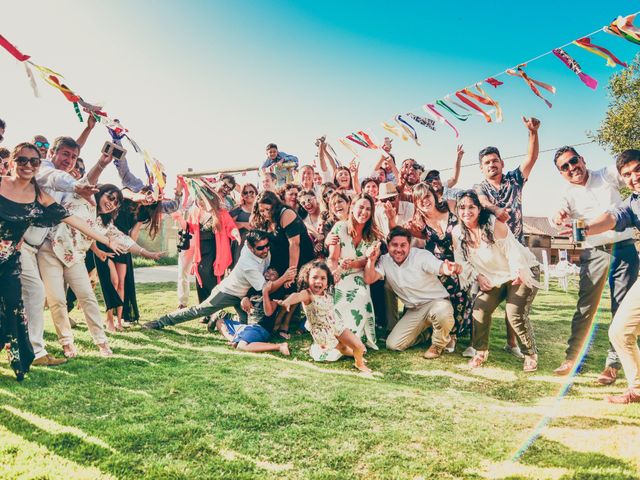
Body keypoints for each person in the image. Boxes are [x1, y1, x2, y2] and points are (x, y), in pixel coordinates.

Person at [0, 143, 125, 378]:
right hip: (16, 250)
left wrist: (105, 240)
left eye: (33, 161)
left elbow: (69, 217)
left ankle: (28, 355)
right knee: (31, 296)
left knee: (17, 303)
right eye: (22, 160)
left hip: (13, 257)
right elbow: (58, 177)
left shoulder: (38, 193)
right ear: (13, 162)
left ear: (39, 164)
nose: (28, 165)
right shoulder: (8, 181)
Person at [551, 146, 639, 383]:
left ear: (582, 159)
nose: (572, 168)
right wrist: (558, 215)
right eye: (565, 167)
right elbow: (556, 214)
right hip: (595, 252)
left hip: (624, 248)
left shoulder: (607, 174)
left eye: (573, 161)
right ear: (561, 173)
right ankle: (572, 358)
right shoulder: (567, 195)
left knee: (620, 306)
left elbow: (629, 172)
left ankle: (612, 365)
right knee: (585, 306)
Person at [20, 136, 105, 363]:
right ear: (52, 154)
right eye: (65, 155)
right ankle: (32, 350)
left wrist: (102, 163)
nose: (69, 160)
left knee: (36, 296)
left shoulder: (68, 185)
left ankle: (32, 350)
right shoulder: (43, 170)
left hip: (44, 249)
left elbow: (71, 212)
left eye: (74, 157)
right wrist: (76, 184)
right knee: (38, 296)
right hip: (22, 245)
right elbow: (55, 177)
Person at [572, 150, 640, 403]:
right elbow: (612, 218)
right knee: (620, 331)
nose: (634, 177)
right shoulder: (631, 204)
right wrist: (587, 228)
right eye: (627, 174)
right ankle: (637, 389)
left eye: (637, 169)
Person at [473, 116, 541, 359]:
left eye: (494, 160)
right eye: (486, 163)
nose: (491, 164)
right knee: (488, 300)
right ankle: (481, 347)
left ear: (501, 162)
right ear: (482, 168)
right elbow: (481, 202)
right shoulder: (480, 187)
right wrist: (496, 210)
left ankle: (512, 344)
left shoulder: (514, 179)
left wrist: (532, 133)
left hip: (517, 249)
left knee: (515, 304)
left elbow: (531, 159)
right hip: (493, 253)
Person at [452, 191, 540, 372]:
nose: (466, 211)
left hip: (521, 269)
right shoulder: (457, 232)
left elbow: (512, 250)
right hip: (493, 277)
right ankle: (480, 352)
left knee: (514, 313)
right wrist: (478, 276)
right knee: (480, 308)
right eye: (462, 207)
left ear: (479, 209)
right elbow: (461, 261)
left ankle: (530, 354)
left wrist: (517, 270)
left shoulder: (492, 223)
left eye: (471, 207)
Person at [143, 230, 295, 329]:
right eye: (261, 248)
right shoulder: (248, 264)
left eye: (267, 246)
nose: (266, 250)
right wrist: (284, 278)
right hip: (227, 292)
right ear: (249, 247)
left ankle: (221, 317)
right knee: (199, 310)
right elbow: (266, 289)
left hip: (243, 294)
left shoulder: (261, 250)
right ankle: (160, 322)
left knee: (247, 326)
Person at [364, 227, 459, 357]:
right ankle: (427, 334)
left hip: (436, 303)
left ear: (410, 245)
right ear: (388, 245)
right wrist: (371, 259)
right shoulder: (385, 260)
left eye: (403, 245)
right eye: (394, 245)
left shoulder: (421, 256)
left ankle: (437, 345)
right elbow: (369, 279)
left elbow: (440, 267)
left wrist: (449, 269)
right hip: (414, 310)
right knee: (393, 344)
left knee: (442, 313)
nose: (399, 249)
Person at [408, 183, 472, 349]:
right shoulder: (419, 223)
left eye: (427, 196)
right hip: (439, 265)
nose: (425, 201)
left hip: (461, 258)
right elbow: (402, 235)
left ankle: (453, 335)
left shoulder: (450, 206)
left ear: (434, 196)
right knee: (446, 296)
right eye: (420, 199)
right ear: (416, 203)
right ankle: (440, 332)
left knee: (461, 294)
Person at [277, 260, 372, 373]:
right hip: (322, 332)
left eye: (322, 278)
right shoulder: (307, 294)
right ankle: (358, 362)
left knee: (357, 346)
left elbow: (334, 275)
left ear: (327, 281)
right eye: (314, 277)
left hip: (335, 324)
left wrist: (341, 267)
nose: (318, 281)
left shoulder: (326, 289)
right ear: (307, 278)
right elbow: (295, 296)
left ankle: (358, 360)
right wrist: (287, 302)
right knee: (342, 347)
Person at [327, 193, 381, 349]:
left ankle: (355, 340)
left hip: (358, 274)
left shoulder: (373, 236)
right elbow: (333, 258)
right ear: (352, 208)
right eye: (361, 207)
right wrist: (334, 273)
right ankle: (338, 338)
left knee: (360, 295)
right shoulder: (340, 227)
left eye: (368, 209)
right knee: (338, 294)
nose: (364, 212)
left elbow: (369, 260)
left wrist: (353, 264)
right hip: (337, 271)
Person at [216, 268, 290, 356]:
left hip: (261, 329)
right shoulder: (254, 288)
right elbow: (245, 303)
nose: (268, 275)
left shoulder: (277, 293)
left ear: (277, 279)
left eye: (273, 274)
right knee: (220, 322)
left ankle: (279, 346)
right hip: (247, 326)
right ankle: (234, 340)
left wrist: (265, 292)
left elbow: (268, 313)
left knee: (242, 346)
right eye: (267, 272)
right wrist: (244, 299)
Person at [229, 183, 258, 266]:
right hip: (240, 245)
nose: (248, 194)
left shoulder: (261, 208)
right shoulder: (238, 209)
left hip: (257, 246)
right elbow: (228, 225)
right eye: (245, 193)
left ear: (256, 193)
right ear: (242, 195)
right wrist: (243, 224)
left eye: (251, 192)